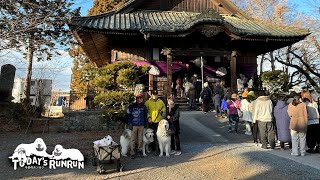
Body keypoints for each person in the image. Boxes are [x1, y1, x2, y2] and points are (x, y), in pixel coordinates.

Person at [127, 94, 148, 159]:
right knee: (132, 139)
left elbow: (145, 115)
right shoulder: (132, 106)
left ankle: (139, 151)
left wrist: (146, 123)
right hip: (134, 125)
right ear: (136, 99)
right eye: (138, 98)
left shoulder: (144, 107)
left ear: (142, 99)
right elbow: (129, 115)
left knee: (140, 139)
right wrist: (130, 123)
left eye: (140, 98)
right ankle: (132, 152)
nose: (139, 99)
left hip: (141, 125)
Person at [145, 90, 166, 155]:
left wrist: (162, 111)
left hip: (158, 121)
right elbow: (145, 111)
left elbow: (164, 107)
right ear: (151, 95)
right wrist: (148, 117)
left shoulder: (160, 101)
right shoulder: (148, 102)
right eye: (154, 94)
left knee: (158, 135)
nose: (155, 96)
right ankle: (153, 147)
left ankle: (158, 148)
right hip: (151, 121)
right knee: (152, 135)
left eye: (156, 94)